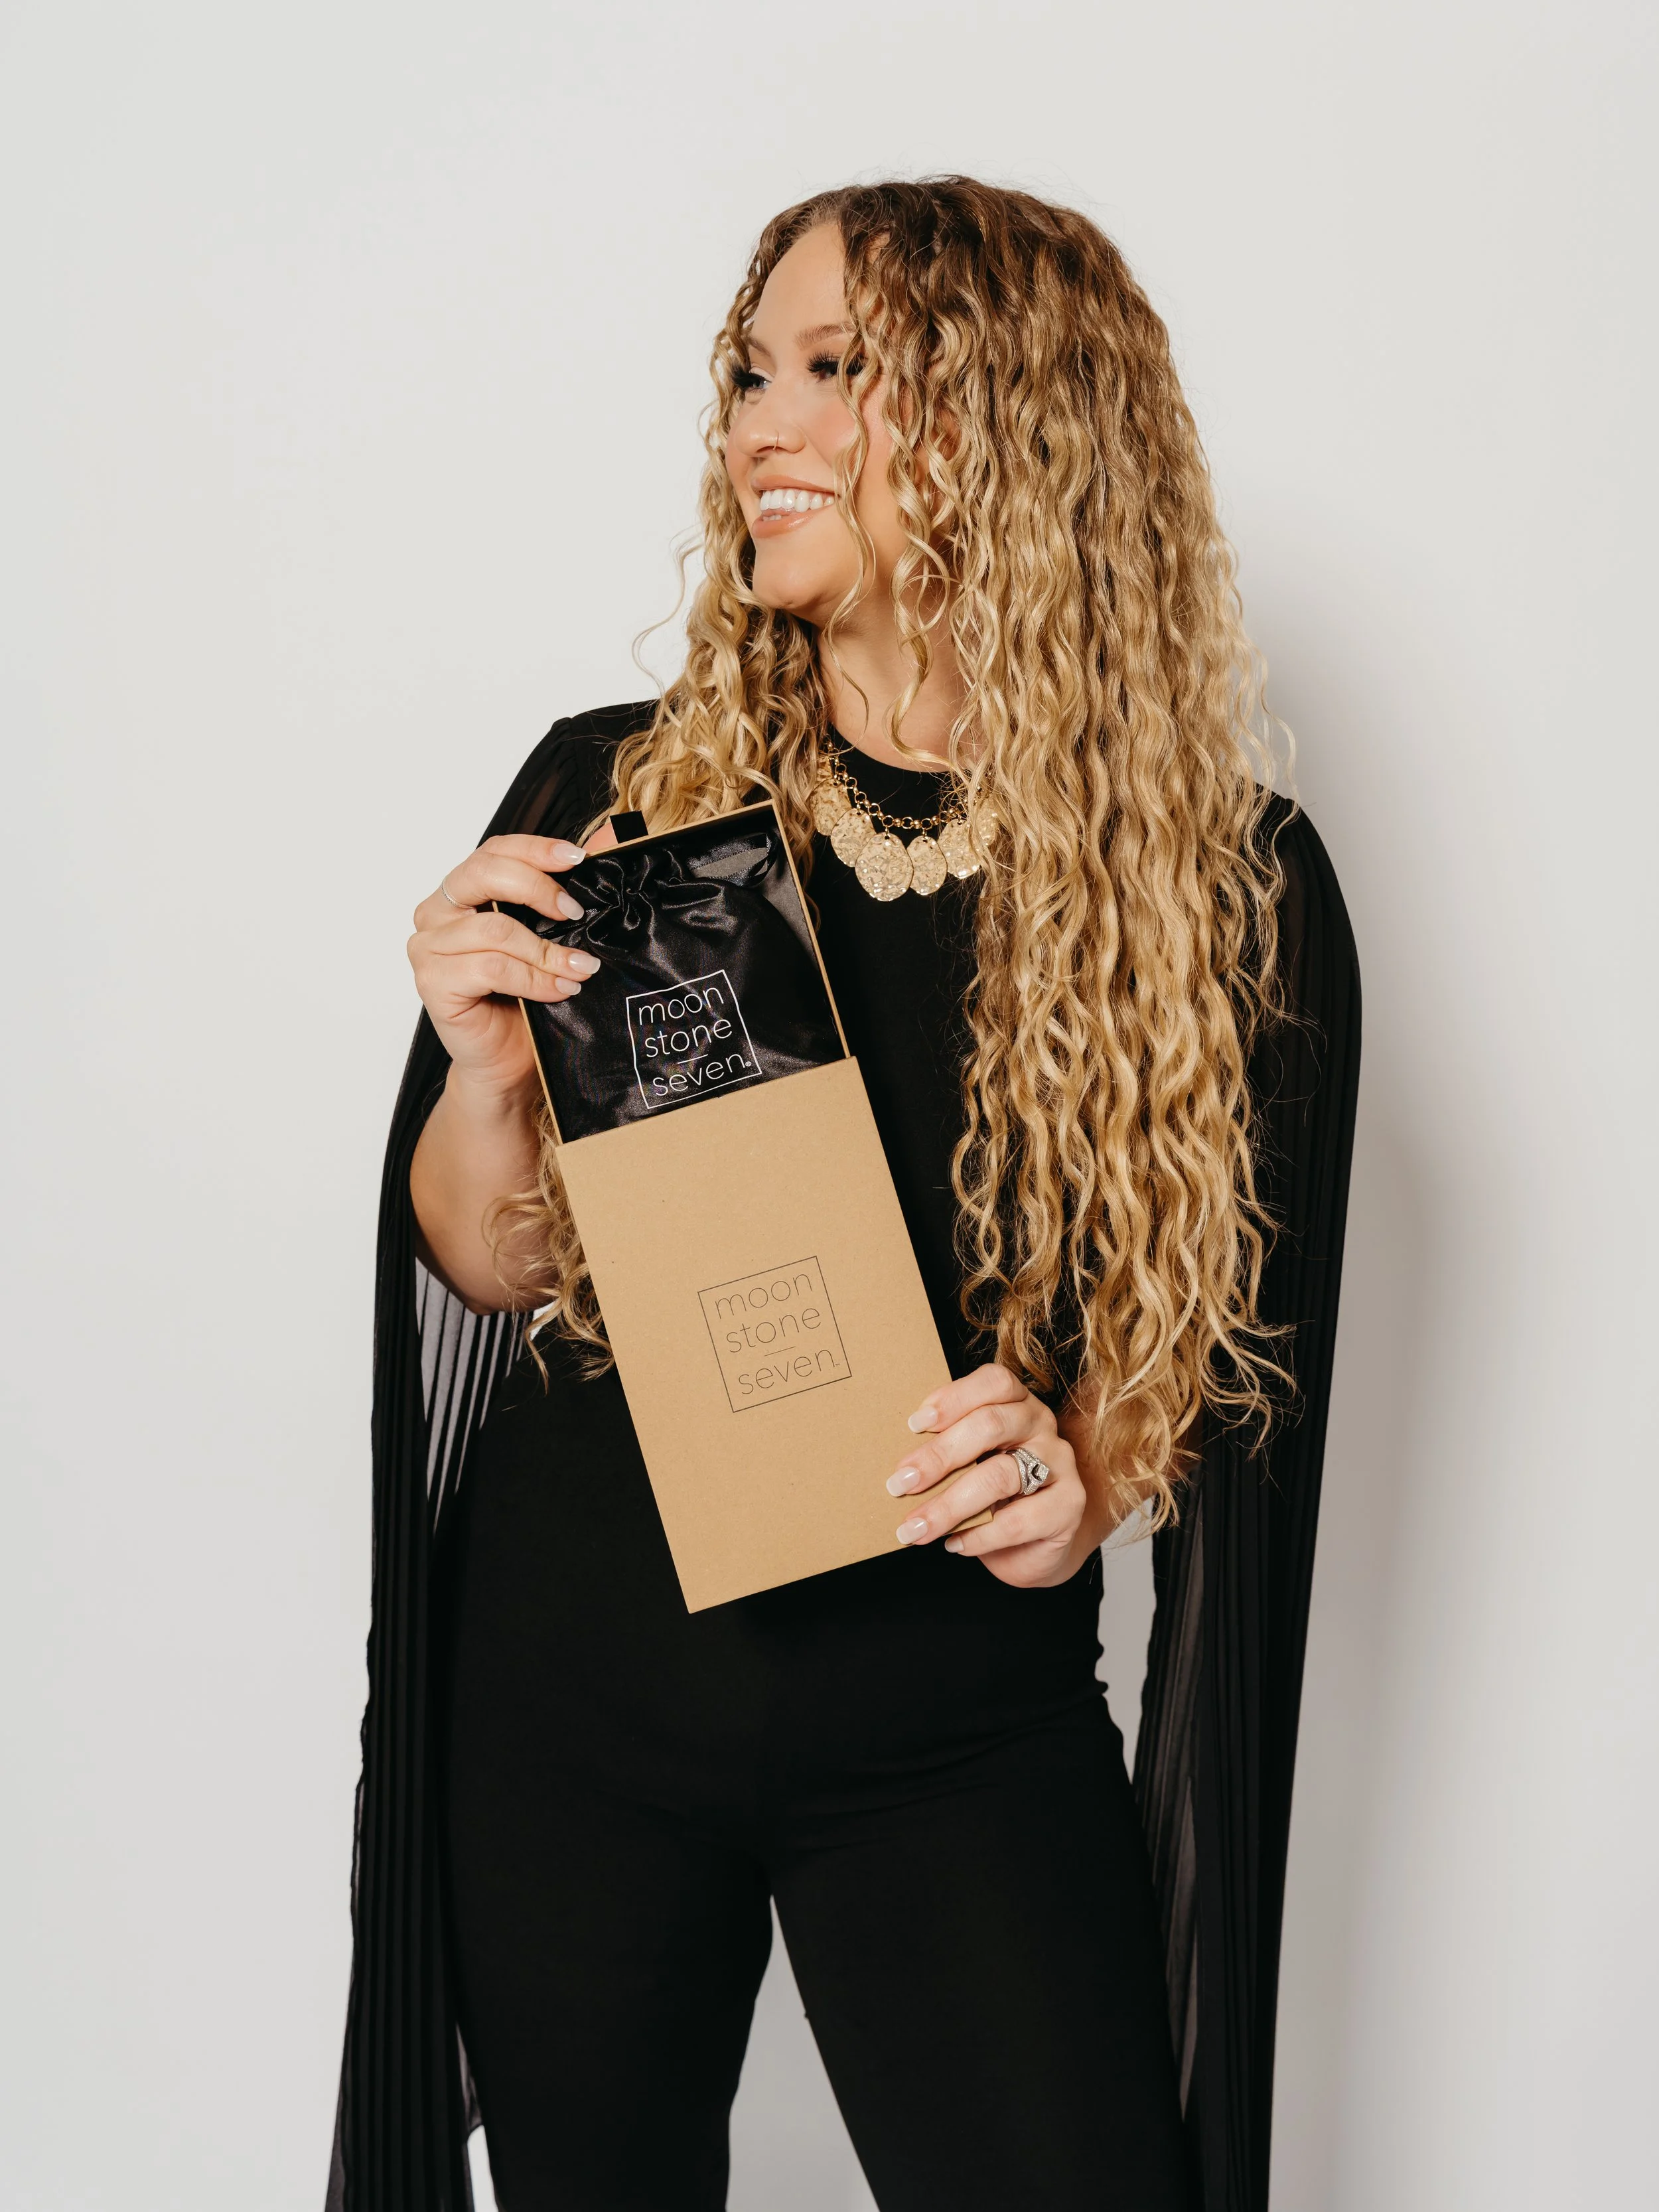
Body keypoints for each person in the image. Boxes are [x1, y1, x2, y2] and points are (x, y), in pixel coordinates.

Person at [328, 179, 1360, 2212]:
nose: (757, 427)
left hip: (949, 1724)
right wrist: (484, 1079)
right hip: (578, 1697)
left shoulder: (1223, 889)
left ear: (1015, 422)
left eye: (833, 369)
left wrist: (1082, 1466)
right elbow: (484, 1264)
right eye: (747, 373)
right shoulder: (620, 796)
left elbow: (1226, 1356)